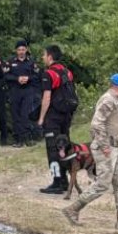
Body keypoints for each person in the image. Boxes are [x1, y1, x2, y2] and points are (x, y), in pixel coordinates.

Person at [63, 75, 118, 230]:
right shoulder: (108, 100)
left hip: (114, 148)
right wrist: (104, 145)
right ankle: (73, 209)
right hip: (107, 148)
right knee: (102, 184)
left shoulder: (114, 100)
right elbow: (97, 123)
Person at [37, 45, 78, 194]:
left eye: (44, 55)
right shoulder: (67, 72)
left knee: (53, 148)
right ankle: (65, 180)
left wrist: (41, 118)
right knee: (64, 147)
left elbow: (46, 97)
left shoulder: (49, 74)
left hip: (53, 117)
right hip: (66, 116)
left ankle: (56, 182)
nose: (42, 58)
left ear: (50, 56)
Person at [7, 40, 39, 147]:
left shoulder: (31, 62)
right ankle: (18, 140)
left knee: (25, 114)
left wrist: (28, 78)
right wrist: (17, 79)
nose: (21, 52)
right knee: (16, 115)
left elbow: (37, 76)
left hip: (27, 91)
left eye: (23, 49)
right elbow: (5, 76)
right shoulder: (11, 62)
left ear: (26, 50)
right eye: (19, 50)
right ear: (16, 51)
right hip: (15, 91)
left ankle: (28, 138)